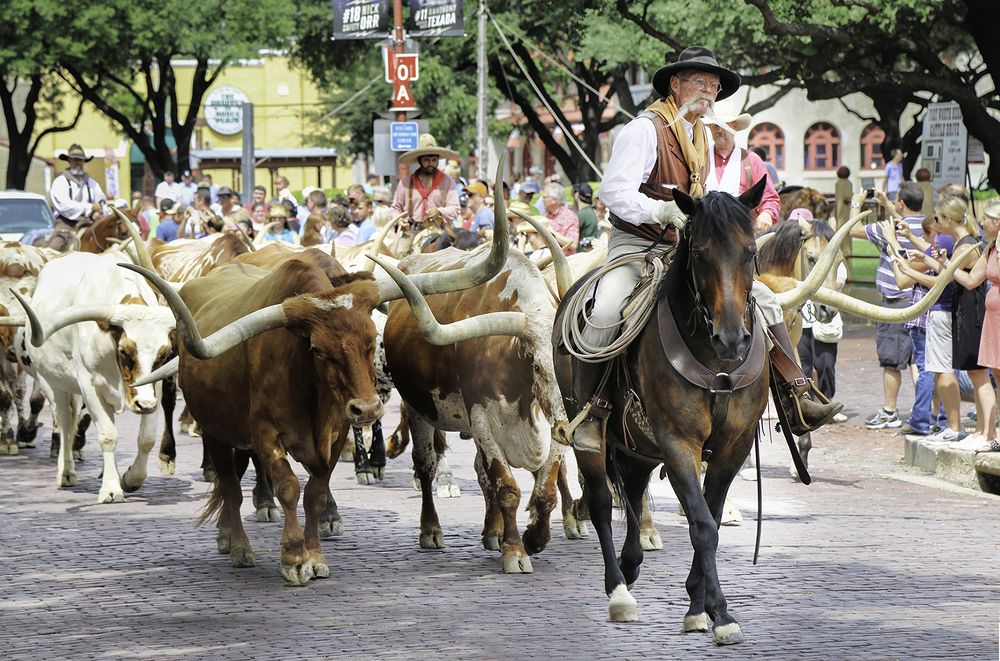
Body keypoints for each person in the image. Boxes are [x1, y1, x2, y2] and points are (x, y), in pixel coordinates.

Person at [574, 45, 841, 454]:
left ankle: (795, 396)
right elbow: (613, 192)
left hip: (685, 247)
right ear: (675, 84)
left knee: (766, 301)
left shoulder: (700, 134)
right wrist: (660, 210)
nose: (708, 92)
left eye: (714, 86)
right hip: (636, 245)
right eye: (699, 82)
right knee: (607, 310)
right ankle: (591, 414)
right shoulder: (645, 129)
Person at [849, 182, 925, 429]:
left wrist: (857, 202)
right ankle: (924, 409)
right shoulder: (926, 227)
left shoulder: (889, 228)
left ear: (901, 203)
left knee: (891, 361)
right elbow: (905, 217)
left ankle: (890, 411)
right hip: (920, 301)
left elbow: (853, 229)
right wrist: (887, 204)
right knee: (917, 360)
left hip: (895, 303)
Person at [886, 213, 958, 440]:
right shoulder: (945, 248)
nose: (925, 241)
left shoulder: (937, 249)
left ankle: (922, 420)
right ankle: (944, 420)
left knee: (928, 369)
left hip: (926, 318)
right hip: (939, 317)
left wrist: (892, 245)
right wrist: (907, 237)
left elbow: (901, 280)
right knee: (942, 368)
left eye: (924, 235)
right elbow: (924, 251)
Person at [940, 196, 997, 449]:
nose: (981, 223)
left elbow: (969, 281)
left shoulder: (974, 246)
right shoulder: (988, 248)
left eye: (987, 219)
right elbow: (972, 279)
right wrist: (944, 264)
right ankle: (985, 431)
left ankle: (989, 434)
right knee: (990, 374)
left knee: (982, 375)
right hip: (987, 316)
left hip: (982, 314)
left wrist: (945, 266)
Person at [791, 211, 847, 420]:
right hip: (801, 319)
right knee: (802, 365)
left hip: (824, 318)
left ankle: (827, 403)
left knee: (825, 364)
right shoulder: (796, 257)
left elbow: (840, 277)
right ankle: (805, 406)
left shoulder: (826, 249)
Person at [705, 112, 780, 230]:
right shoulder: (700, 160)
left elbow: (769, 198)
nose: (718, 130)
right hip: (706, 232)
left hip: (741, 232)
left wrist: (767, 213)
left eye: (723, 124)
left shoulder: (751, 160)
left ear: (734, 126)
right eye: (715, 125)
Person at [390, 134, 461, 233]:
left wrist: (439, 211)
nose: (431, 164)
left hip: (440, 231)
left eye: (434, 160)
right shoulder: (405, 183)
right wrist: (399, 220)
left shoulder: (447, 181)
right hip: (412, 231)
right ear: (419, 160)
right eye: (426, 160)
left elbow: (455, 209)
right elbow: (395, 208)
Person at [49, 143, 107, 250]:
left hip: (89, 224)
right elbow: (64, 206)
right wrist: (90, 207)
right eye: (75, 159)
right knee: (54, 247)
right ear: (69, 161)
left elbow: (102, 201)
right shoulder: (60, 182)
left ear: (84, 161)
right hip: (66, 225)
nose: (78, 163)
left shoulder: (92, 183)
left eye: (80, 160)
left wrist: (99, 212)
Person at [542, 182, 580, 254]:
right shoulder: (546, 216)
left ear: (554, 200)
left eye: (544, 197)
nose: (542, 200)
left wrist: (551, 233)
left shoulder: (569, 217)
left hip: (565, 259)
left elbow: (573, 244)